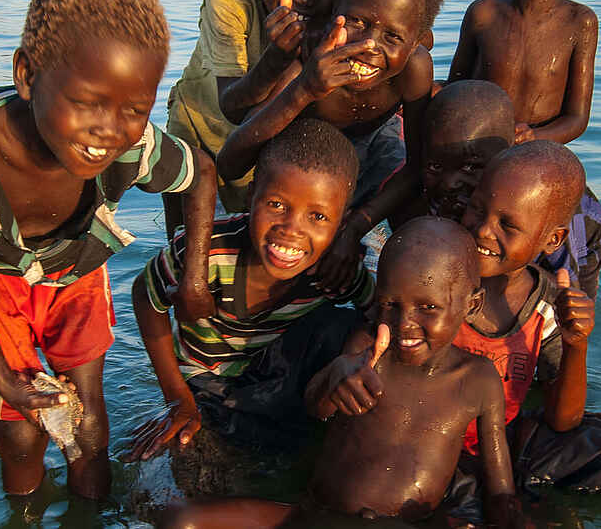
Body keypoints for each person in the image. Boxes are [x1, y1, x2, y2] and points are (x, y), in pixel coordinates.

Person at [0, 0, 217, 500]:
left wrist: (193, 273)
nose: (108, 130)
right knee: (18, 432)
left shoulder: (132, 147)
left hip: (77, 274)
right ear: (28, 75)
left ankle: (91, 510)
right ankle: (26, 513)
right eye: (87, 103)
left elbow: (200, 174)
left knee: (88, 429)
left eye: (135, 108)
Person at [163, 218, 519, 527]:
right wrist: (335, 375)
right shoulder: (367, 349)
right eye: (390, 305)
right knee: (182, 521)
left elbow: (500, 485)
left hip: (398, 526)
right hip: (312, 516)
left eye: (428, 308)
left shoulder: (478, 379)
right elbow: (317, 409)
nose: (404, 324)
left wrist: (507, 521)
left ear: (470, 304)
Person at [124, 119, 373, 484]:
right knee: (187, 464)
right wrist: (177, 397)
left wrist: (350, 361)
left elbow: (378, 312)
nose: (291, 229)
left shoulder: (333, 269)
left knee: (341, 330)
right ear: (252, 194)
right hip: (206, 385)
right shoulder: (207, 254)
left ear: (342, 223)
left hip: (279, 380)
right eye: (276, 204)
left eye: (317, 217)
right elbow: (145, 298)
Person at [216, 0, 446, 289]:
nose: (368, 45)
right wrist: (307, 88)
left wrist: (355, 227)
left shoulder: (414, 70)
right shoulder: (309, 52)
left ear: (419, 41)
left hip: (371, 151)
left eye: (392, 37)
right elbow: (230, 163)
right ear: (333, 11)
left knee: (416, 209)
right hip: (305, 160)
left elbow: (415, 169)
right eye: (356, 22)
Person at [443, 141, 601, 500]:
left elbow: (563, 421)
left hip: (505, 441)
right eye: (476, 209)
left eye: (508, 224)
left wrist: (576, 343)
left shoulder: (547, 303)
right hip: (432, 440)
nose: (484, 230)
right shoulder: (440, 277)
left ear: (553, 239)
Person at [447, 0, 601, 298]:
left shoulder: (580, 23)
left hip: (541, 176)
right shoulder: (483, 13)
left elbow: (576, 118)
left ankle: (562, 338)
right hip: (479, 171)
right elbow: (456, 94)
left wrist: (534, 136)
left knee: (567, 274)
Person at [162, 0, 353, 225]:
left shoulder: (336, 7)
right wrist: (276, 58)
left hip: (263, 144)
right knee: (187, 247)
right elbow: (231, 105)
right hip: (200, 135)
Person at [385, 79, 522, 229]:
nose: (449, 184)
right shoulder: (408, 208)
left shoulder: (515, 220)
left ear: (509, 154)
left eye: (470, 167)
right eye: (435, 166)